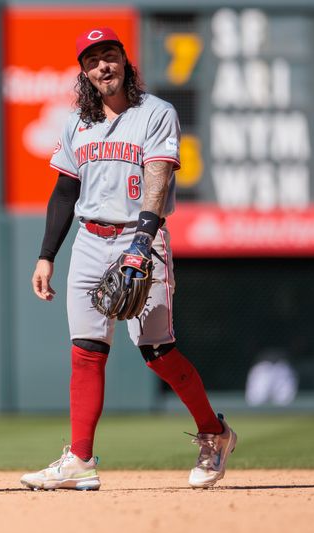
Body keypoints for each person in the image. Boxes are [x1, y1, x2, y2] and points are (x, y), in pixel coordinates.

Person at [20, 27, 237, 491]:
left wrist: (141, 242)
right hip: (89, 241)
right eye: (93, 59)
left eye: (111, 55)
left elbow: (158, 177)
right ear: (84, 71)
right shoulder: (77, 122)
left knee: (157, 352)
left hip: (141, 237)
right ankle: (80, 460)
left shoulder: (156, 113)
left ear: (125, 61)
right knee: (86, 351)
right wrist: (45, 256)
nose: (104, 65)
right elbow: (64, 191)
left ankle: (215, 433)